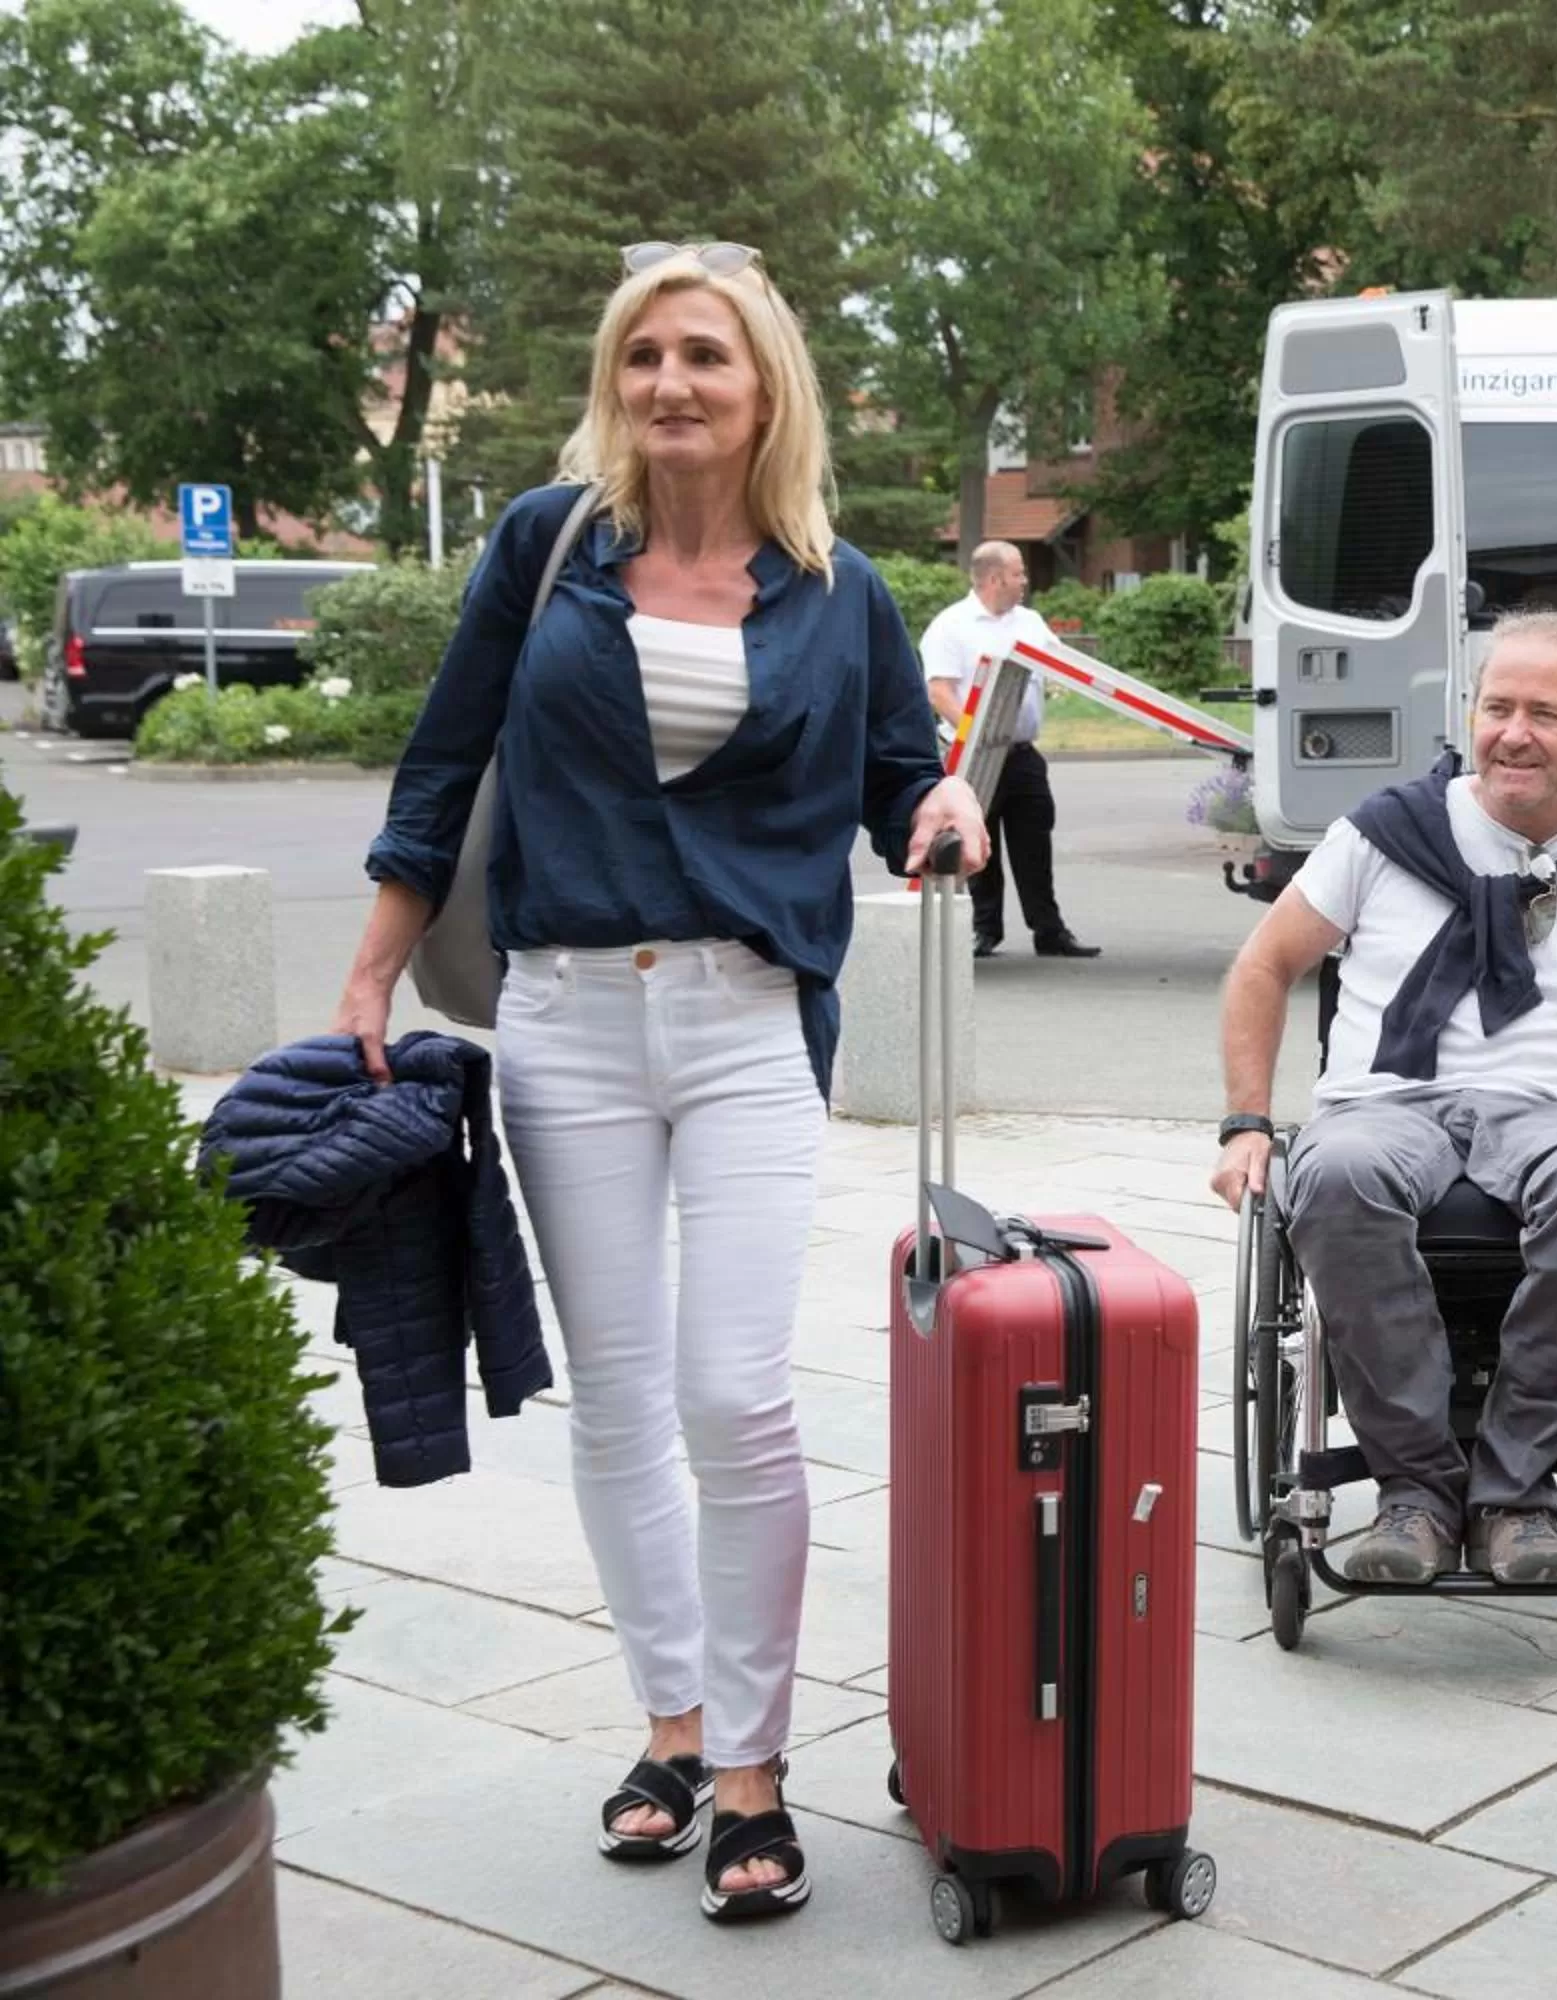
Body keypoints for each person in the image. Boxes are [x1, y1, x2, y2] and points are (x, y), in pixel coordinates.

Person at [336, 240, 990, 1926]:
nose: (670, 383)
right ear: (613, 384)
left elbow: (900, 774)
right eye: (643, 356)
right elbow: (445, 757)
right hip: (563, 1016)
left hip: (749, 1016)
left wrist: (944, 806)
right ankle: (674, 1732)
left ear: (765, 388)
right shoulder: (543, 549)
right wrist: (372, 964)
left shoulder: (840, 589)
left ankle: (759, 1765)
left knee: (734, 1394)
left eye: (704, 355)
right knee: (620, 1399)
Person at [1209, 611, 1557, 1585]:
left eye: (1544, 713)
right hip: (1386, 1104)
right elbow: (1264, 964)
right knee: (1332, 1174)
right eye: (1496, 707)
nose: (1514, 732)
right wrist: (1246, 1123)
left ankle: (1514, 1495)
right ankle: (1418, 1491)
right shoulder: (1386, 834)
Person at [919, 539, 1099, 958]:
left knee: (1035, 840)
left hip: (1020, 754)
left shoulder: (1030, 622)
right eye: (1019, 573)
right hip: (977, 754)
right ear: (995, 578)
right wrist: (977, 733)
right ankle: (985, 930)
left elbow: (1063, 666)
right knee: (978, 842)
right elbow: (939, 692)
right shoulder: (951, 626)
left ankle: (1049, 931)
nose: (1025, 581)